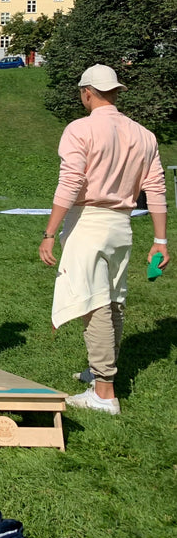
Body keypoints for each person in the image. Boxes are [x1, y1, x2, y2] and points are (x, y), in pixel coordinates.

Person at [39, 64, 168, 415]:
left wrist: (49, 232)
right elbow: (155, 188)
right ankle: (100, 377)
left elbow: (71, 183)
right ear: (115, 91)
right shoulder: (143, 134)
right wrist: (161, 240)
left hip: (90, 223)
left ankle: (105, 391)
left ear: (87, 93)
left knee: (94, 303)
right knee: (112, 300)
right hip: (122, 225)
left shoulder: (80, 129)